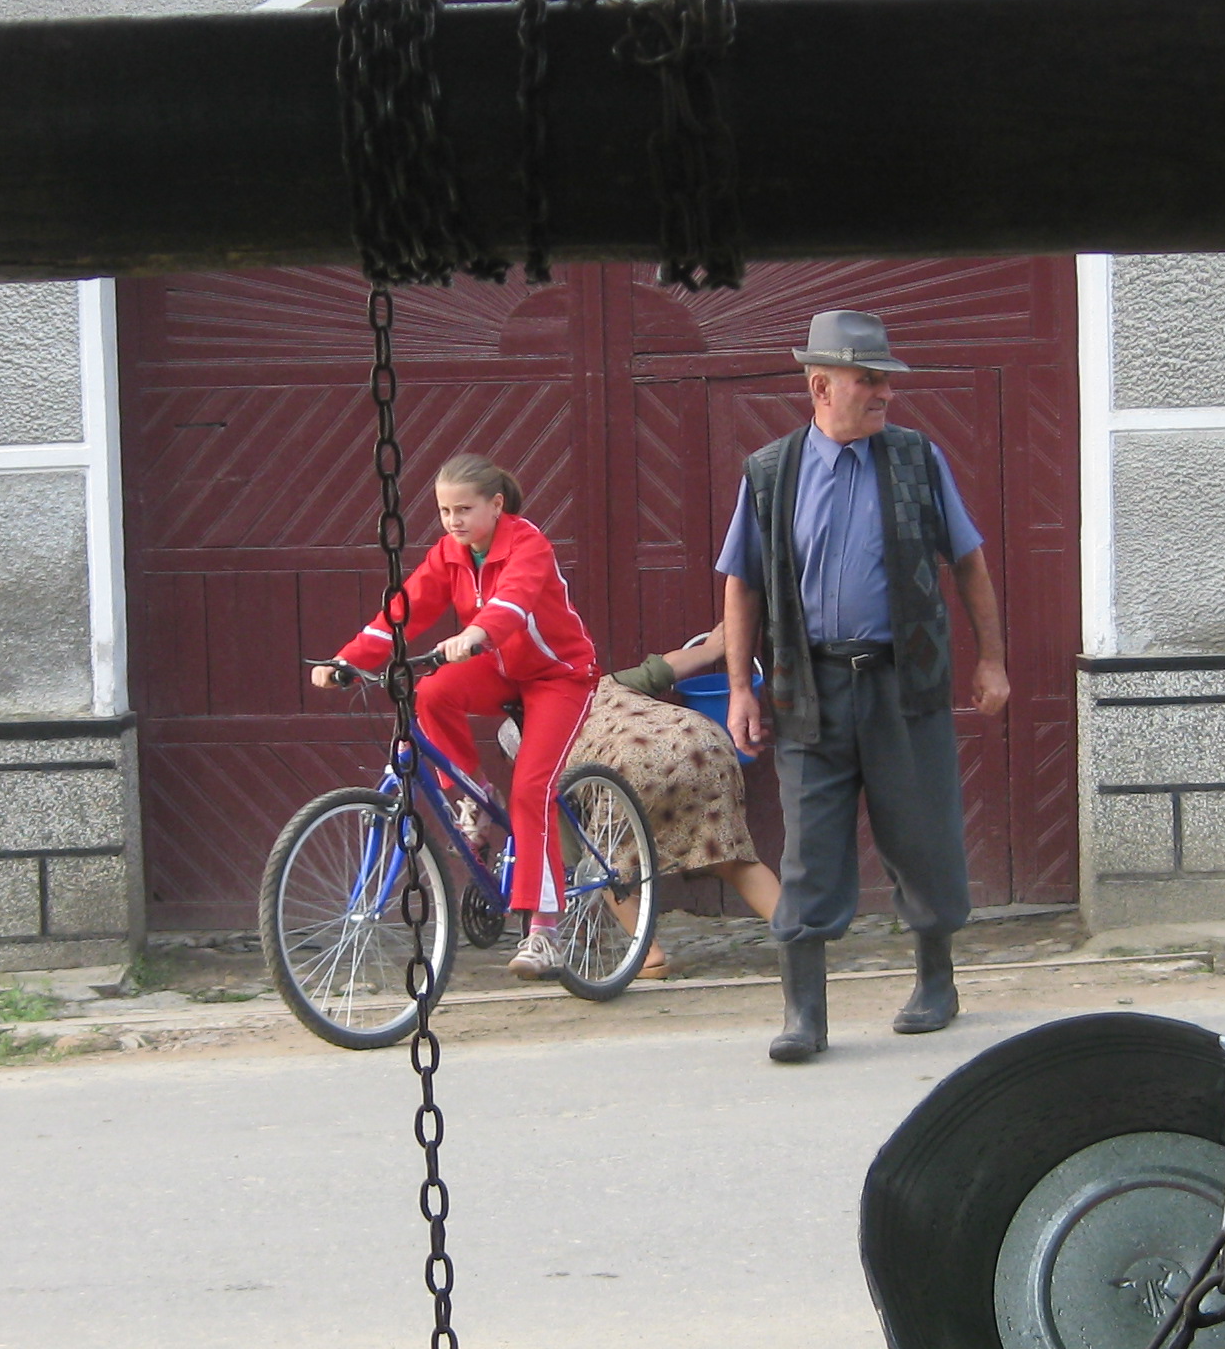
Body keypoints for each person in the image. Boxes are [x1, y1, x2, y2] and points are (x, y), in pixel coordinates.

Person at [718, 310, 1009, 1063]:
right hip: (808, 688)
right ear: (821, 387)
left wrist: (992, 660)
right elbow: (743, 584)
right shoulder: (770, 473)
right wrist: (741, 688)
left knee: (922, 833)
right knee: (809, 849)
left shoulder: (917, 460)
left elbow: (969, 562)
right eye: (868, 379)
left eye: (886, 379)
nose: (884, 392)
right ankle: (804, 1015)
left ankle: (936, 984)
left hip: (901, 681)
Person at [317, 453, 599, 980]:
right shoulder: (449, 554)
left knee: (531, 790)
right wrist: (346, 660)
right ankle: (475, 796)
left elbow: (513, 601)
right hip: (498, 665)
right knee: (432, 693)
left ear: (496, 505)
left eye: (464, 509)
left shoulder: (528, 544)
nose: (453, 521)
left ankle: (544, 931)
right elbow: (402, 612)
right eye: (445, 511)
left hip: (558, 676)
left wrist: (476, 633)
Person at [572, 629, 783, 977]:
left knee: (602, 867)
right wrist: (715, 643)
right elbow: (674, 664)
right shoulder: (605, 683)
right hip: (701, 739)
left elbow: (562, 835)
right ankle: (797, 935)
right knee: (734, 858)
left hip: (631, 761)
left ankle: (649, 954)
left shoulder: (535, 732)